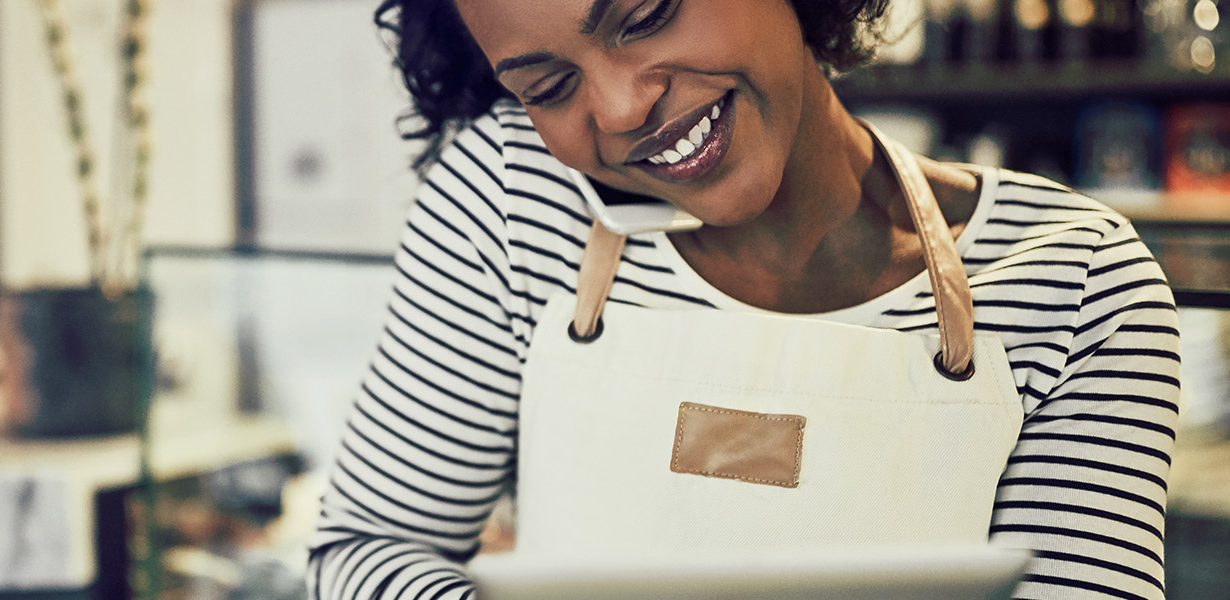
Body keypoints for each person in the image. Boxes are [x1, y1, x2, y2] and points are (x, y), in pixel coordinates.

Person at [307, 0, 1182, 599]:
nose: (617, 109)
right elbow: (366, 553)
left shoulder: (1075, 279)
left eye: (645, 16)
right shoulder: (512, 197)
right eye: (547, 87)